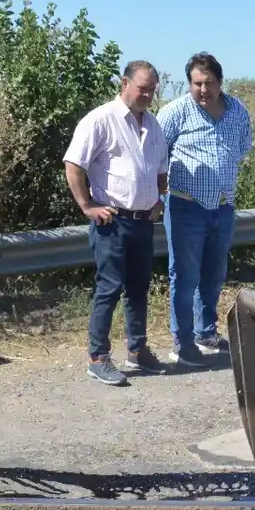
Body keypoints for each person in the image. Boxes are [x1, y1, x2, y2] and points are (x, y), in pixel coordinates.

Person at [64, 60, 170, 386]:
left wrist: (157, 200)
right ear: (124, 84)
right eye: (142, 89)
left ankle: (138, 351)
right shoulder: (100, 120)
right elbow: (73, 164)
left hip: (142, 222)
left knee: (139, 289)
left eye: (153, 89)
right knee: (109, 288)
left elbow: (160, 169)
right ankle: (98, 357)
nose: (148, 95)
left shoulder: (153, 124)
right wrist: (87, 205)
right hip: (112, 221)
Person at [157, 52, 253, 366]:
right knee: (184, 277)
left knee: (213, 275)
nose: (203, 90)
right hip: (186, 206)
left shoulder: (237, 110)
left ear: (220, 82)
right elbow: (156, 155)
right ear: (189, 83)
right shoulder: (175, 112)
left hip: (223, 208)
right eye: (197, 83)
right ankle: (182, 343)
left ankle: (205, 333)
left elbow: (241, 148)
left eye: (208, 83)